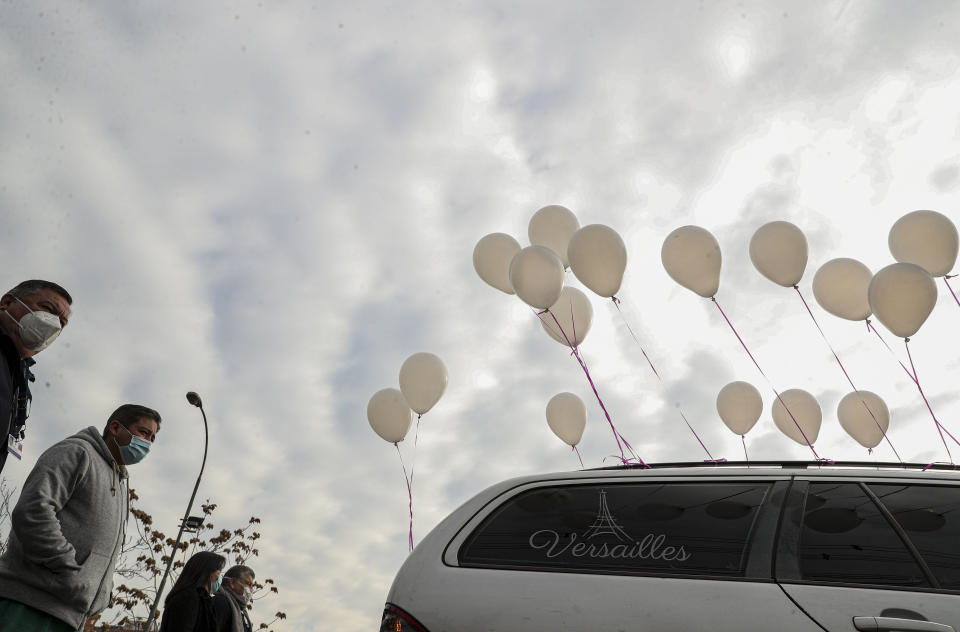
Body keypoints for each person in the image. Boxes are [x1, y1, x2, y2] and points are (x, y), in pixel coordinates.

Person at [0, 404, 161, 632]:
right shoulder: (77, 452)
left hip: (69, 616)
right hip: (29, 606)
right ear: (115, 427)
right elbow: (33, 511)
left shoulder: (122, 483)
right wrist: (70, 572)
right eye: (144, 432)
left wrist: (96, 599)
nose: (147, 443)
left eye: (153, 438)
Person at [0, 280, 72, 475]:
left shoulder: (18, 377)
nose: (54, 323)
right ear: (6, 303)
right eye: (47, 308)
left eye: (62, 323)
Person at [160, 551, 226, 632]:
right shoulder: (188, 598)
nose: (219, 578)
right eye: (218, 573)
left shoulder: (203, 600)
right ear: (206, 573)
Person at [213, 565, 255, 632]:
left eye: (252, 586)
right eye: (248, 583)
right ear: (232, 583)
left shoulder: (242, 610)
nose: (251, 589)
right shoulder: (221, 602)